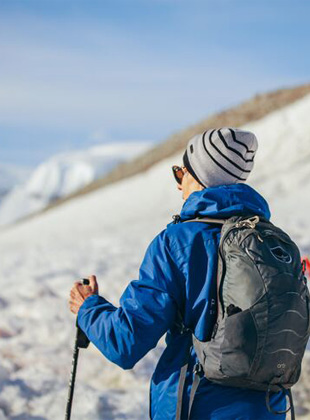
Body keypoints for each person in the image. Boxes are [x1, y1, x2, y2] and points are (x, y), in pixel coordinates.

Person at [68, 128, 288, 419]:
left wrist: (88, 308)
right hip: (267, 409)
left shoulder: (178, 242)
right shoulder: (273, 241)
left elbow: (126, 342)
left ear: (199, 177)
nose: (178, 184)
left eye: (180, 173)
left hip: (198, 405)